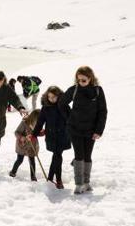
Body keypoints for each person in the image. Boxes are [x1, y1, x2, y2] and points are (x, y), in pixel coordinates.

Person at [58, 66, 107, 194]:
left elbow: (103, 111)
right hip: (75, 129)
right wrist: (69, 118)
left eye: (83, 80)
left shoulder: (97, 91)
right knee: (79, 155)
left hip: (91, 130)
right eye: (78, 80)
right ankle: (79, 184)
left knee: (87, 156)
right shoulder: (74, 90)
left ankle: (87, 182)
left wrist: (99, 130)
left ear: (90, 79)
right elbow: (62, 103)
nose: (80, 82)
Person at [32, 86, 71, 189]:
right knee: (57, 156)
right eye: (49, 97)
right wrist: (34, 135)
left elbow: (70, 120)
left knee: (57, 156)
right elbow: (40, 122)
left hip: (63, 135)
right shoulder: (45, 108)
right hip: (52, 136)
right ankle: (55, 179)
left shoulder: (65, 106)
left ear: (59, 96)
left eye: (54, 97)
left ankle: (55, 179)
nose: (51, 99)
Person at [9, 109, 41, 181]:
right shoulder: (24, 123)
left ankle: (33, 177)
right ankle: (13, 172)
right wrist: (22, 137)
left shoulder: (38, 124)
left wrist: (42, 133)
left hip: (32, 145)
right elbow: (16, 132)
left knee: (32, 161)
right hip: (22, 145)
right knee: (20, 160)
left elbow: (37, 133)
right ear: (34, 117)